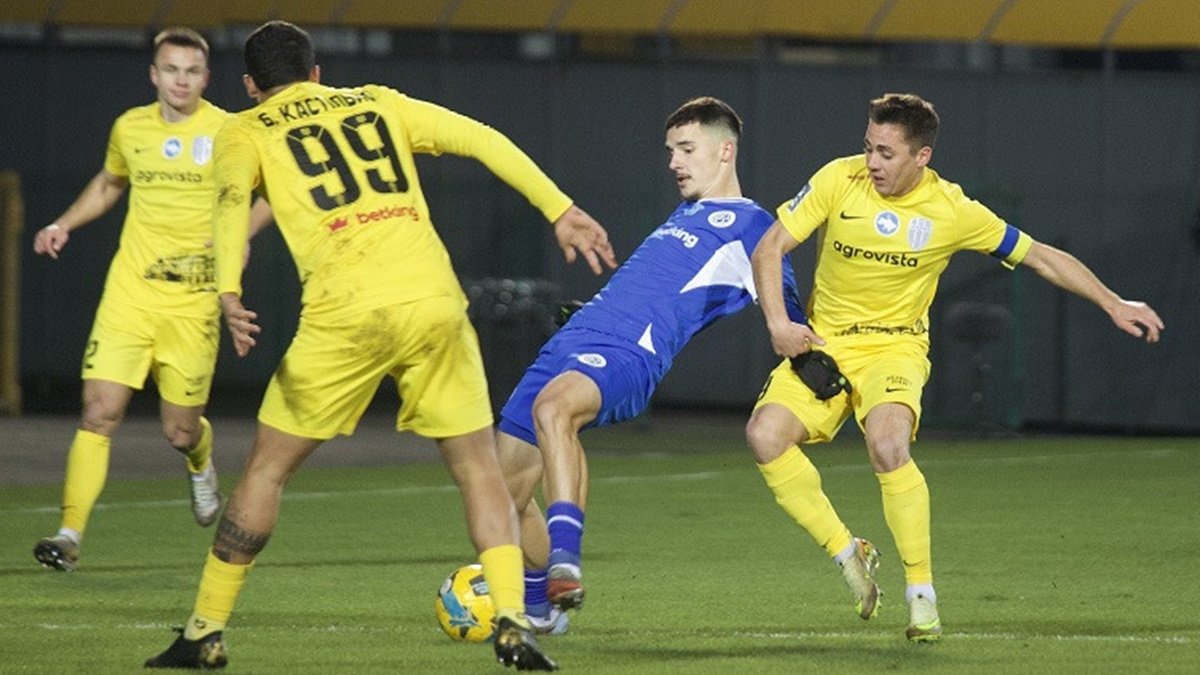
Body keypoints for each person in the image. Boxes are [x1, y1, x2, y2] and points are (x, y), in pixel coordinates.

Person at [144, 20, 616, 671]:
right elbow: (482, 138)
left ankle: (204, 631)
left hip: (344, 314)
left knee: (267, 471)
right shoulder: (377, 101)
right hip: (433, 303)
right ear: (316, 74)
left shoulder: (244, 129)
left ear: (251, 86)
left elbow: (228, 206)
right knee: (479, 470)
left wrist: (227, 291)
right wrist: (559, 208)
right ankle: (512, 621)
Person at [747, 92, 1164, 642]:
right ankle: (848, 553)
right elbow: (769, 249)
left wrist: (1113, 302)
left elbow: (1040, 256)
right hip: (825, 344)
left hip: (894, 348)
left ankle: (921, 595)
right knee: (764, 436)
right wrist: (778, 323)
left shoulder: (952, 210)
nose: (872, 162)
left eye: (887, 153)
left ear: (921, 156)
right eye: (868, 147)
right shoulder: (837, 179)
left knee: (888, 445)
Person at [495, 96, 807, 632]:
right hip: (573, 341)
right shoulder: (685, 214)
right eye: (670, 151)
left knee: (553, 411)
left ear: (725, 151)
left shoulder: (754, 226)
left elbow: (789, 311)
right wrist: (592, 310)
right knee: (502, 494)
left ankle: (566, 561)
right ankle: (543, 610)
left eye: (686, 149)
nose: (674, 162)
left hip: (627, 352)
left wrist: (812, 353)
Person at [31, 27, 273, 573]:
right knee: (99, 411)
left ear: (205, 79)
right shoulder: (130, 127)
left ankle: (200, 460)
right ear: (154, 75)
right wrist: (63, 224)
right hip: (130, 294)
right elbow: (110, 182)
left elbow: (272, 195)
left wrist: (239, 235)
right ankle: (69, 535)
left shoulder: (229, 131)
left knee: (179, 430)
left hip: (193, 303)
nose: (180, 81)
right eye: (170, 70)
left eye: (191, 71)